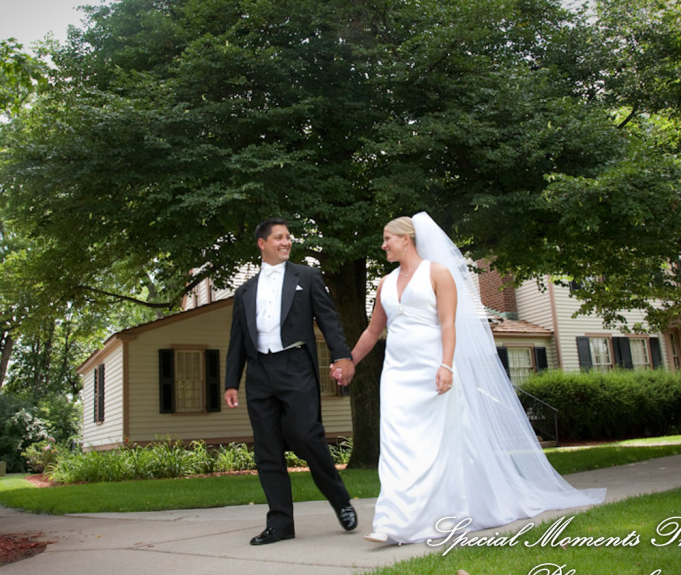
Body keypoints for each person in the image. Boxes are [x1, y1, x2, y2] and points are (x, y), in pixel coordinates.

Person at [343, 212, 605, 544]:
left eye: (387, 239)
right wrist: (349, 361)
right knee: (396, 446)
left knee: (438, 447)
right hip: (396, 375)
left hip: (432, 371)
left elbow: (448, 324)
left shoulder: (438, 273)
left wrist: (446, 365)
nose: (383, 246)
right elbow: (372, 331)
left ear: (405, 239)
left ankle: (441, 515)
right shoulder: (384, 283)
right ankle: (392, 521)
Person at [225, 217, 359, 545]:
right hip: (259, 372)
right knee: (267, 449)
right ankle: (280, 524)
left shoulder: (307, 277)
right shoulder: (245, 291)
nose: (286, 242)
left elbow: (328, 318)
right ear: (262, 244)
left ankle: (340, 500)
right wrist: (231, 381)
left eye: (288, 237)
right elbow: (237, 339)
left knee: (308, 436)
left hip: (295, 365)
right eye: (279, 237)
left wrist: (342, 355)